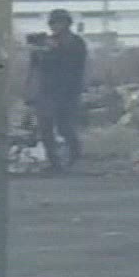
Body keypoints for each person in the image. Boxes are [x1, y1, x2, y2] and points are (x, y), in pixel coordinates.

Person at [26, 9, 88, 173]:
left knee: (64, 127)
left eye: (58, 23)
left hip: (68, 91)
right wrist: (38, 51)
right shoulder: (49, 42)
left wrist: (55, 49)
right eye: (52, 23)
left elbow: (74, 64)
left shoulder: (76, 42)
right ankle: (54, 162)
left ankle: (75, 157)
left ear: (67, 24)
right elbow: (38, 67)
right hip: (47, 90)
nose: (54, 26)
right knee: (45, 126)